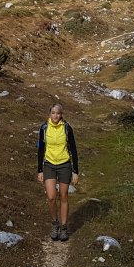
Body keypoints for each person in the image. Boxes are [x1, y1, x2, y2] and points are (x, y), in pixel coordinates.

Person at [36, 102, 80, 241]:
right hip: (49, 164)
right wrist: (40, 170)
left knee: (63, 196)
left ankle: (64, 228)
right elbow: (40, 149)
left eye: (58, 113)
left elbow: (73, 150)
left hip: (64, 165)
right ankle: (55, 223)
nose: (55, 116)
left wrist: (75, 171)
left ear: (61, 115)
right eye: (53, 113)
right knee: (51, 197)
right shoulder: (44, 128)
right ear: (49, 114)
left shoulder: (67, 128)